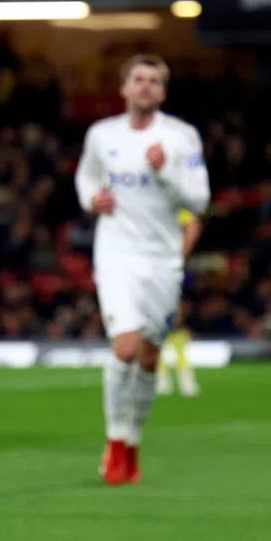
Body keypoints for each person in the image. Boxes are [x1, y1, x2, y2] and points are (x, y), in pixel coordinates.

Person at [74, 54, 210, 485]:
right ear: (125, 88)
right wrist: (91, 200)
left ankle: (133, 439)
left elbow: (200, 201)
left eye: (155, 80)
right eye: (139, 79)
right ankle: (115, 443)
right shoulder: (102, 135)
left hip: (162, 260)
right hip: (115, 255)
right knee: (126, 348)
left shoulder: (181, 138)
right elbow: (86, 178)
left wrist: (164, 170)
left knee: (150, 356)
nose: (146, 86)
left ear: (163, 92)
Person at [156, 209, 202, 397]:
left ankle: (173, 374)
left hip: (162, 269)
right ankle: (166, 375)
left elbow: (193, 227)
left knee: (168, 322)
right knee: (160, 323)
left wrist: (178, 258)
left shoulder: (173, 202)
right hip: (151, 267)